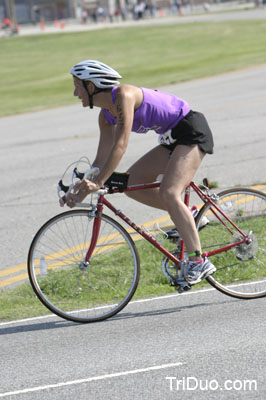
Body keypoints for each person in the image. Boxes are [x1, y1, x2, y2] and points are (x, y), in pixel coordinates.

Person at [66, 59, 216, 286]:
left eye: (78, 85)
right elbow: (101, 160)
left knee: (169, 192)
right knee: (132, 183)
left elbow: (120, 146)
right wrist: (80, 188)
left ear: (92, 86)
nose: (75, 92)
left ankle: (198, 260)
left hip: (191, 130)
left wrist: (99, 182)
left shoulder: (124, 96)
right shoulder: (105, 117)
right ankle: (190, 215)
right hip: (172, 139)